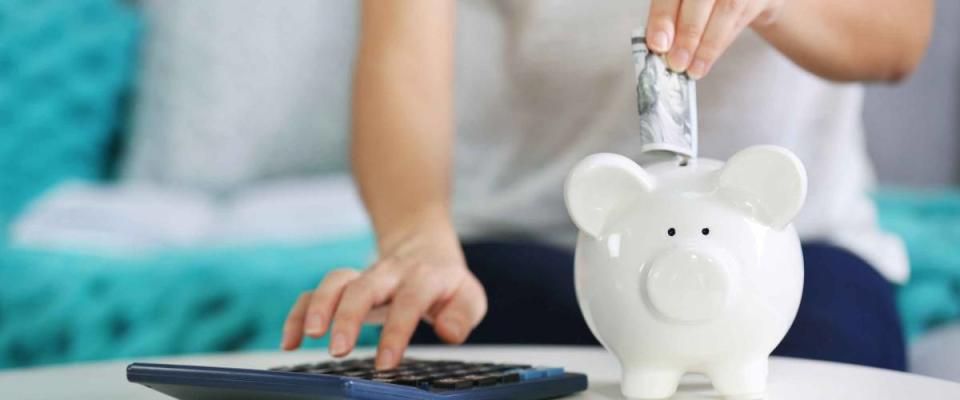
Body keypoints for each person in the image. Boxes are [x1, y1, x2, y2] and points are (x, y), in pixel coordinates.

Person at [281, 0, 934, 371]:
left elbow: (901, 38)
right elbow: (405, 52)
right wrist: (415, 236)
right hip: (523, 243)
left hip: (793, 250)